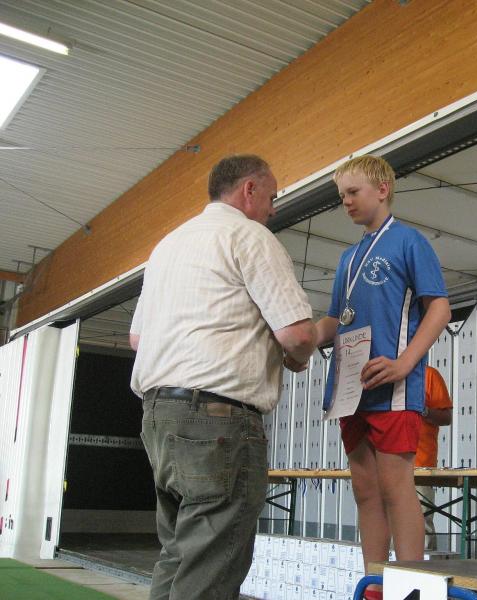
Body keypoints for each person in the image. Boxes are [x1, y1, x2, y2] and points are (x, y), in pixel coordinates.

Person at [129, 155, 316, 600]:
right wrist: (300, 354)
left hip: (159, 416)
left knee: (178, 554)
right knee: (211, 566)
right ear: (249, 189)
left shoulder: (168, 245)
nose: (273, 207)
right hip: (217, 422)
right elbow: (296, 334)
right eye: (271, 196)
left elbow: (137, 339)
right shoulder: (249, 236)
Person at [315, 155, 450, 600]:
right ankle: (374, 587)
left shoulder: (409, 242)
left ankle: (411, 590)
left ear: (382, 189)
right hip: (350, 387)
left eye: (353, 192)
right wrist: (300, 337)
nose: (346, 202)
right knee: (365, 490)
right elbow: (335, 319)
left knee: (396, 487)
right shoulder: (347, 257)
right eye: (342, 196)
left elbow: (439, 308)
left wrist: (406, 362)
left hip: (392, 386)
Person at [415, 366, 453, 551]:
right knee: (385, 523)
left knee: (421, 523)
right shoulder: (383, 376)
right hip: (386, 465)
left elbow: (446, 417)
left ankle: (425, 567)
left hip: (421, 465)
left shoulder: (429, 375)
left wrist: (423, 410)